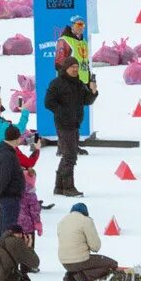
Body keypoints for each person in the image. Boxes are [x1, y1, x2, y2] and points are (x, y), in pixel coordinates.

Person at [43, 58, 97, 195]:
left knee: (67, 155)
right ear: (65, 68)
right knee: (70, 156)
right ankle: (68, 187)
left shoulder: (79, 84)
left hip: (75, 123)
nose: (75, 69)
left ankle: (59, 187)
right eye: (72, 67)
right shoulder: (57, 83)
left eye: (76, 67)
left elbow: (87, 101)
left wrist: (93, 92)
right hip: (63, 123)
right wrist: (62, 112)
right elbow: (48, 102)